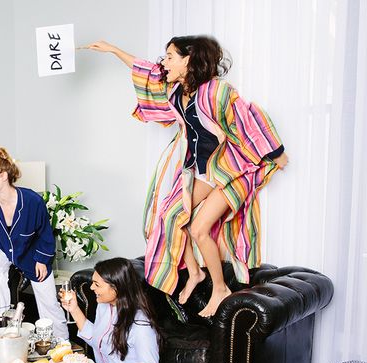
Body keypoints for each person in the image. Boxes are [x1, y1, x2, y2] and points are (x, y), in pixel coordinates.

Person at [86, 36, 289, 317]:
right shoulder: (176, 91)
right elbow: (146, 71)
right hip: (200, 172)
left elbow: (246, 117)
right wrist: (113, 50)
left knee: (198, 228)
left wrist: (276, 153)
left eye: (170, 56)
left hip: (229, 171)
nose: (164, 62)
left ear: (188, 60)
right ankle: (195, 272)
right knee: (169, 217)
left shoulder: (216, 90)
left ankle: (220, 288)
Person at [0, 148, 68, 339]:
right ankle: (4, 319)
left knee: (49, 305)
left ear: (3, 176)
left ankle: (63, 345)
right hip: (6, 247)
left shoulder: (32, 201)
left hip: (33, 252)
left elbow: (45, 233)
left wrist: (41, 260)